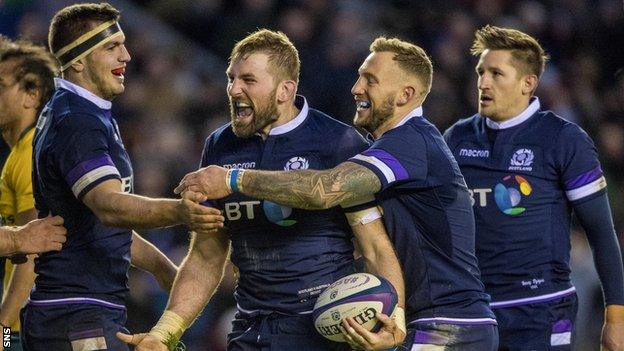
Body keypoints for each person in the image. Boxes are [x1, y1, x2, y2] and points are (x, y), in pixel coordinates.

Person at [173, 36, 498, 350]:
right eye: (359, 78)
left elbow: (324, 190)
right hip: (432, 320)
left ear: (404, 95)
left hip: (448, 324)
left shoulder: (408, 142)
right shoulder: (387, 147)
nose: (356, 88)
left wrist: (232, 180)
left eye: (370, 80)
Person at [118, 29, 405, 351]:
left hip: (326, 330)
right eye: (231, 78)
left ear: (285, 90)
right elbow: (206, 255)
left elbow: (375, 245)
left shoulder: (338, 143)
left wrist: (396, 318)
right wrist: (164, 332)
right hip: (252, 329)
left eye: (248, 80)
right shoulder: (220, 146)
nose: (233, 89)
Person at [23, 3, 224, 351]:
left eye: (124, 43)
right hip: (75, 315)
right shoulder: (77, 121)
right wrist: (181, 211)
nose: (127, 55)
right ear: (79, 60)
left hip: (80, 311)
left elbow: (98, 225)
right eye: (111, 46)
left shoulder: (87, 113)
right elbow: (109, 208)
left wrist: (162, 269)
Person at [442, 25, 624, 351]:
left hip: (541, 307)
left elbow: (601, 233)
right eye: (481, 72)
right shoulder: (457, 138)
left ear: (528, 83)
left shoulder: (563, 140)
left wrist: (616, 317)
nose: (483, 82)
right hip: (473, 311)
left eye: (497, 73)